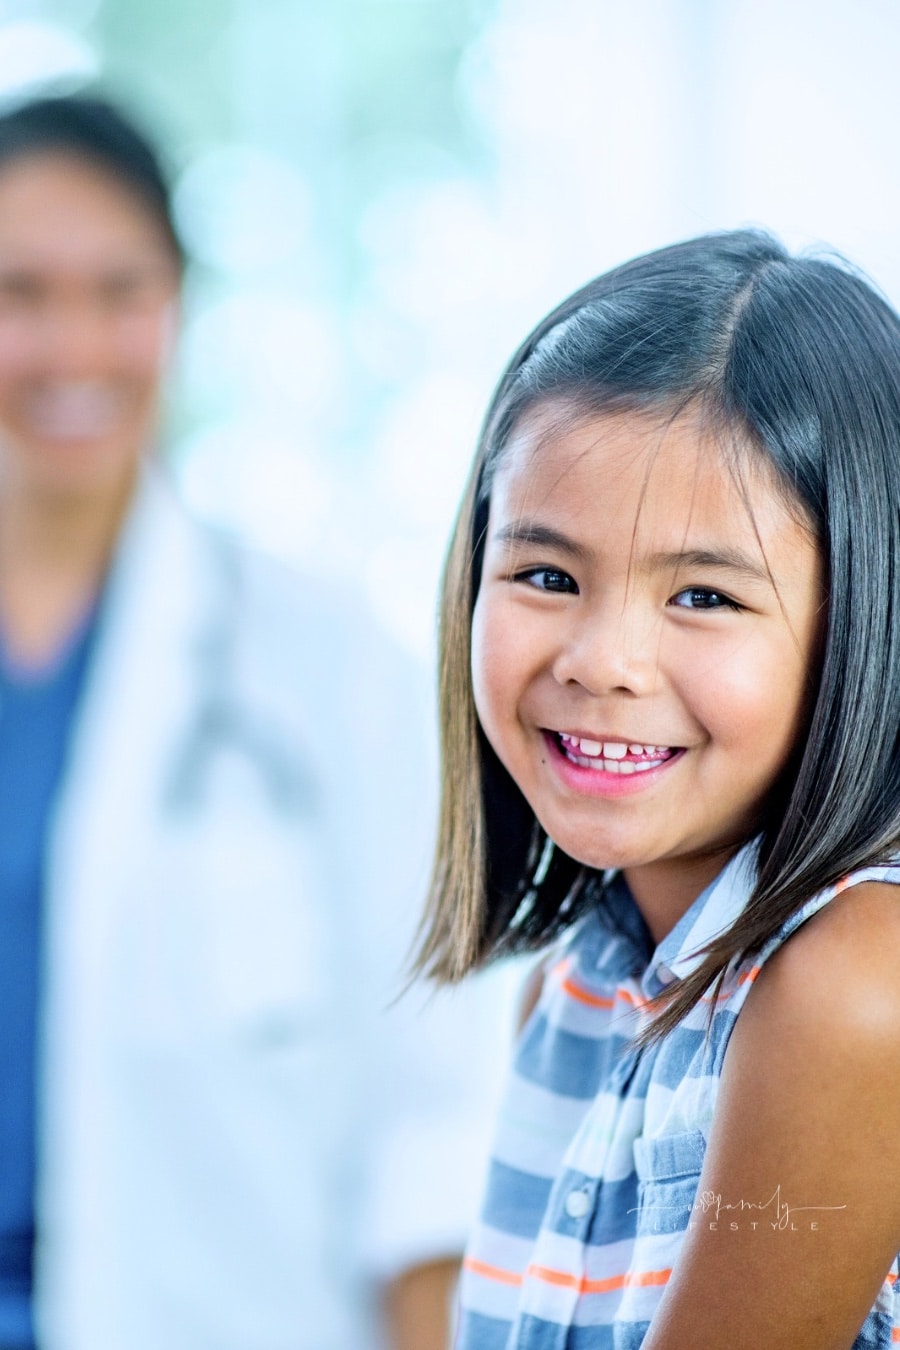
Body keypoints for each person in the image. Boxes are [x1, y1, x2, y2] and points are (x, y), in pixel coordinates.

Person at [0, 93, 509, 1350]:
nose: (76, 344)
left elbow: (429, 1104)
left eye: (121, 290)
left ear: (176, 308)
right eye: (21, 292)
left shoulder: (320, 662)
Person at [416, 229, 900, 1348]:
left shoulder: (854, 988)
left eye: (703, 597)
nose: (602, 661)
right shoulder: (573, 994)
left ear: (862, 622)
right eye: (546, 575)